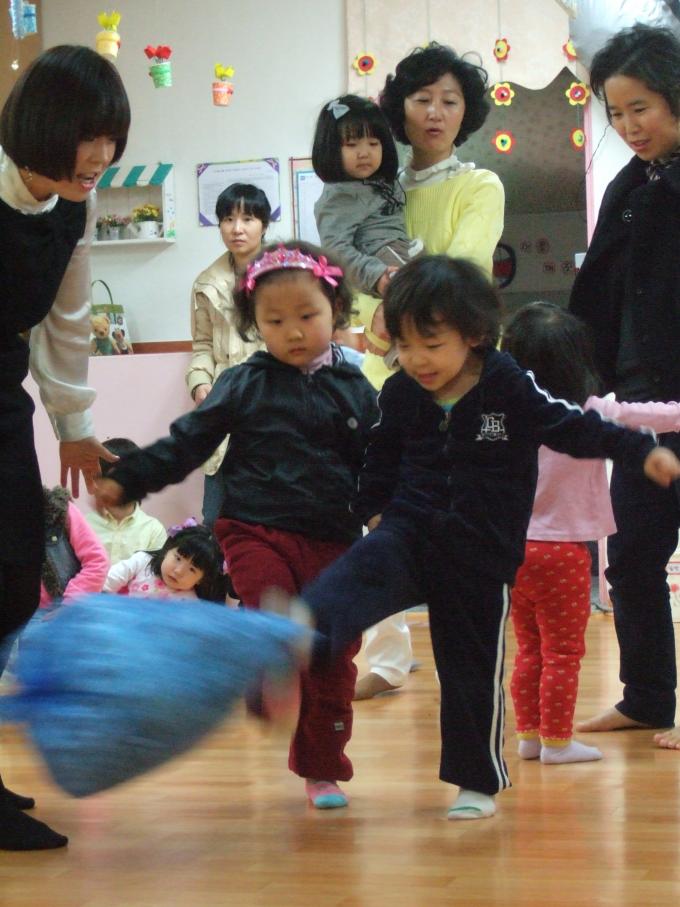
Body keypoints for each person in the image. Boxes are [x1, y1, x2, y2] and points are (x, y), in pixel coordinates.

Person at [297, 256, 680, 821]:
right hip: (409, 531)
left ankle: (475, 783)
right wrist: (372, 509)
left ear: (474, 334)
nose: (417, 360)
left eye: (431, 344)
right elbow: (381, 455)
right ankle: (288, 644)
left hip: (479, 553)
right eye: (404, 345)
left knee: (470, 671)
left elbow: (574, 426)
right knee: (345, 585)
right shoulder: (401, 392)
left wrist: (640, 451)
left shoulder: (509, 385)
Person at [94, 241, 379, 810]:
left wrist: (385, 509)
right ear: (255, 324)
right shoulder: (244, 382)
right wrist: (130, 477)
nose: (293, 331)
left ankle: (322, 771)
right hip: (255, 526)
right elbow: (190, 439)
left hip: (333, 538)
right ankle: (265, 663)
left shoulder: (356, 390)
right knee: (274, 612)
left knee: (331, 659)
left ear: (337, 311)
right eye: (274, 321)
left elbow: (380, 461)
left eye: (307, 316)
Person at [0, 44, 130, 850]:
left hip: (1, 391)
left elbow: (66, 321)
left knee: (17, 579)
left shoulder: (73, 207)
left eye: (112, 137)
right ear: (43, 127)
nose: (103, 154)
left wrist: (74, 427)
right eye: (89, 136)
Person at [354, 40, 506, 699]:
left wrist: (396, 314)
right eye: (422, 99)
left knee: (456, 515)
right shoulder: (371, 190)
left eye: (450, 100)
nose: (436, 112)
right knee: (378, 513)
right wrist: (368, 322)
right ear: (401, 107)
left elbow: (463, 268)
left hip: (455, 375)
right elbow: (353, 266)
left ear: (467, 112)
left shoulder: (479, 184)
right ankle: (387, 658)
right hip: (377, 368)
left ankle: (464, 658)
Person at [502, 302, 680, 764]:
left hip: (513, 551)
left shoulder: (504, 417)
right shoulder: (588, 411)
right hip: (562, 554)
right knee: (562, 652)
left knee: (529, 651)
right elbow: (652, 415)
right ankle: (557, 742)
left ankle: (529, 737)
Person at [569, 24, 680, 745]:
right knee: (632, 557)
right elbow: (595, 298)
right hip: (640, 410)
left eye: (641, 107)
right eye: (616, 112)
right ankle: (646, 697)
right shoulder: (626, 188)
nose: (629, 125)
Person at [185, 183, 271, 528]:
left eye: (248, 219)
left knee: (274, 519)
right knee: (216, 520)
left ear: (264, 225)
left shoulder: (286, 274)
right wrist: (200, 384)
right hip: (225, 408)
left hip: (274, 405)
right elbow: (202, 346)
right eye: (228, 219)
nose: (237, 228)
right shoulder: (206, 282)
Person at [313, 94, 422, 299]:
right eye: (351, 144)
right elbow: (335, 251)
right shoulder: (339, 196)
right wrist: (376, 275)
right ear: (331, 149)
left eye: (373, 143)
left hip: (403, 252)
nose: (364, 153)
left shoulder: (381, 181)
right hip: (381, 264)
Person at [86, 438, 167, 564]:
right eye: (97, 477)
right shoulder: (84, 524)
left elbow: (153, 574)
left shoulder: (153, 530)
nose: (99, 486)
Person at [104, 525, 225, 603]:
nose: (178, 571)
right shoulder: (143, 561)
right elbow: (106, 582)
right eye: (178, 558)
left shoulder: (190, 604)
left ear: (201, 579)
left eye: (192, 569)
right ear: (167, 549)